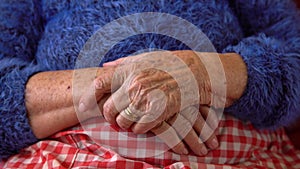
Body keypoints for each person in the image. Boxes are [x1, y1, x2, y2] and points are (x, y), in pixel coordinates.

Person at [0, 0, 299, 161]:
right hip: (74, 155)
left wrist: (199, 72)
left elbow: (294, 57)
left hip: (232, 155)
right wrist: (125, 82)